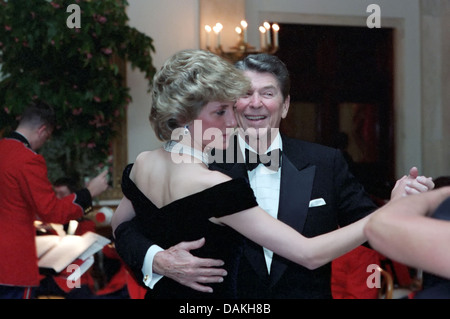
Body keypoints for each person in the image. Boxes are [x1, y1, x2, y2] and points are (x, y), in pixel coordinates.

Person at [113, 53, 434, 299]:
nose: (249, 107)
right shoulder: (211, 175)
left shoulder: (326, 162)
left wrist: (399, 206)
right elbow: (126, 231)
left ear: (286, 105)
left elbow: (377, 232)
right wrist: (155, 259)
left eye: (267, 93)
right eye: (230, 105)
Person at [0, 101, 109, 299]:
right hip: (12, 262)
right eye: (47, 137)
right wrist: (88, 193)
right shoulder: (27, 159)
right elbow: (52, 212)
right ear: (43, 130)